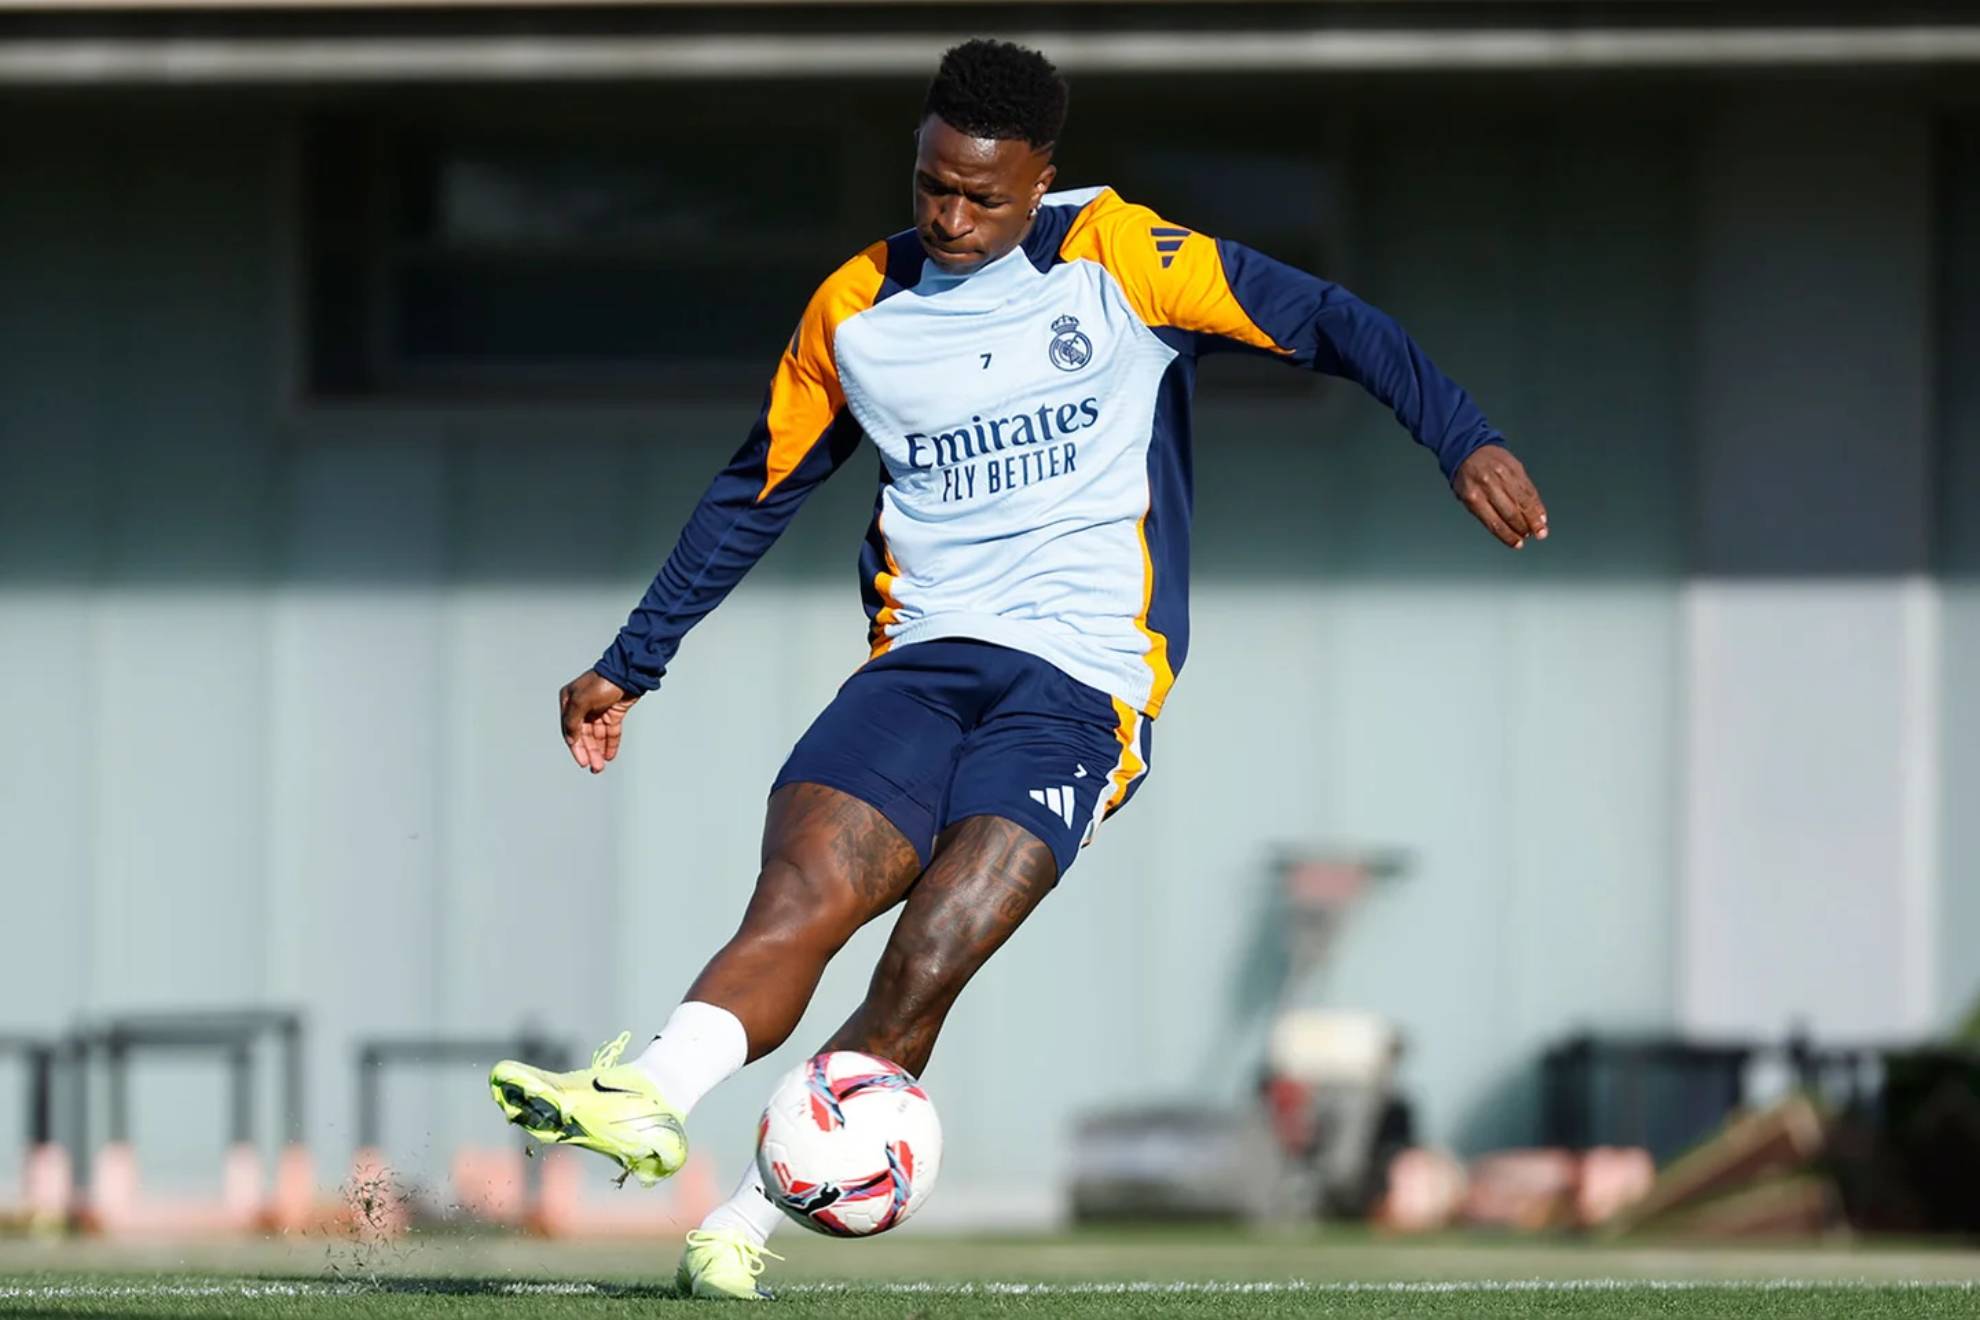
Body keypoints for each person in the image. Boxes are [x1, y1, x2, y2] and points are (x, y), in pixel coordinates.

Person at [489, 37, 1547, 1300]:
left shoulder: (1128, 260)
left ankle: (749, 1221)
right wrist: (633, 661)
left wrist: (1462, 439)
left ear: (1043, 175)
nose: (948, 215)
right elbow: (754, 486)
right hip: (921, 665)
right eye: (932, 183)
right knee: (801, 894)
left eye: (982, 197)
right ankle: (647, 1095)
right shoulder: (855, 310)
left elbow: (1330, 319)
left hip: (1082, 685)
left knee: (926, 958)